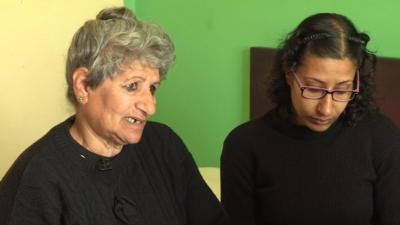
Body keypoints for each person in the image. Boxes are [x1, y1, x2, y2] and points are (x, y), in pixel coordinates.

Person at [0, 6, 226, 225]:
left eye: (152, 88)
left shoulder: (164, 145)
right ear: (84, 85)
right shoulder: (38, 179)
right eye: (132, 86)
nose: (150, 106)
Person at [221, 13, 400, 225]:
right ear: (289, 73)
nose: (326, 109)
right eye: (314, 88)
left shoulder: (380, 136)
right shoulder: (244, 145)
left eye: (342, 90)